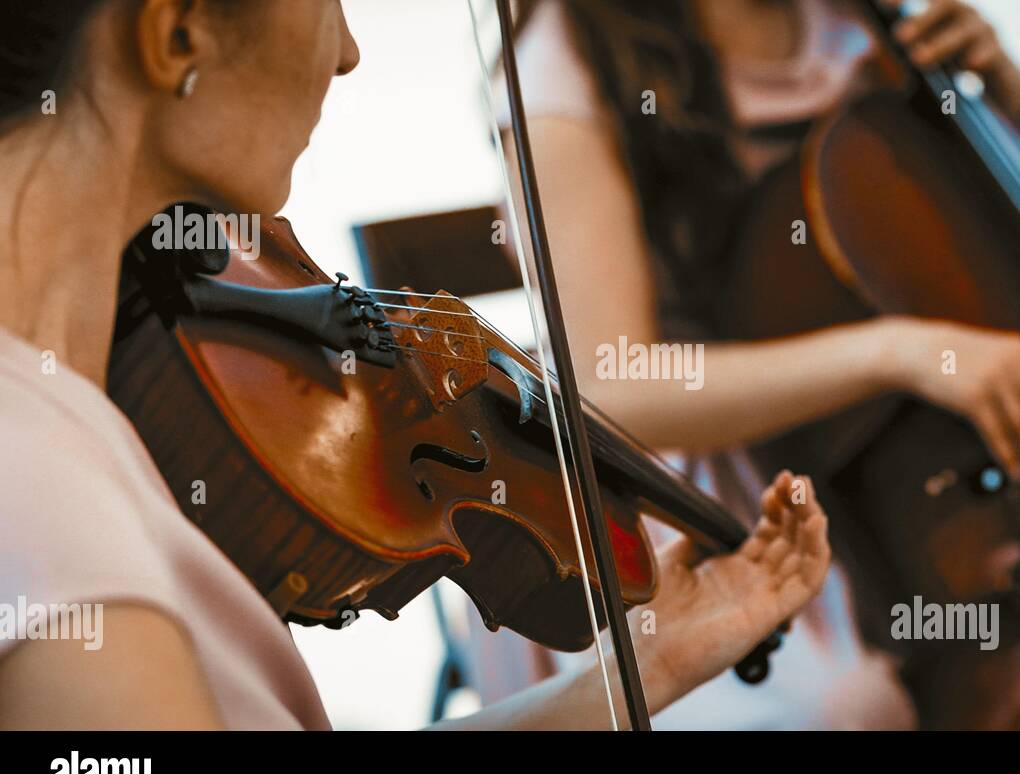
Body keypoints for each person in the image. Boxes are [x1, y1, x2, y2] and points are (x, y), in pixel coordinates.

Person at [0, 0, 832, 730]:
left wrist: (647, 670)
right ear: (178, 33)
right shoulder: (48, 496)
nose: (347, 51)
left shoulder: (70, 428)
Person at [501, 0, 1020, 725]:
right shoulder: (566, 66)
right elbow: (612, 383)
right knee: (850, 708)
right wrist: (900, 352)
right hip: (713, 471)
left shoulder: (868, 15)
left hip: (923, 442)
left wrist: (1005, 102)